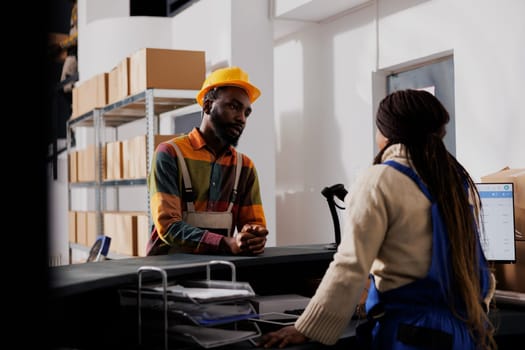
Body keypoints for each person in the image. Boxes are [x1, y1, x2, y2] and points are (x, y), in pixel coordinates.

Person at [257, 89, 497, 350]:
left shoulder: (380, 179)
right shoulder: (456, 183)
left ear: (385, 135)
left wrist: (305, 328)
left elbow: (350, 267)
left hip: (410, 335)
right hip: (464, 332)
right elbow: (478, 268)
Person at [146, 66, 269, 256]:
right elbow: (168, 227)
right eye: (234, 107)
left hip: (220, 270)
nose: (241, 119)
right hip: (167, 272)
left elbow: (254, 224)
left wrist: (252, 237)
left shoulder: (245, 167)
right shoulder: (169, 154)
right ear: (207, 106)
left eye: (246, 112)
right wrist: (226, 243)